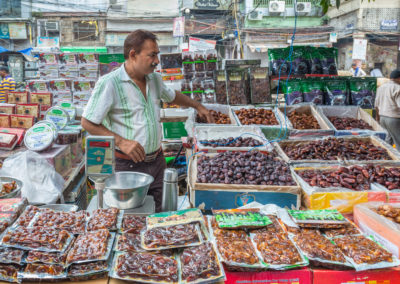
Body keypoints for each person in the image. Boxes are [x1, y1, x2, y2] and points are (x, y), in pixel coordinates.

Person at [81, 30, 213, 212]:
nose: (157, 61)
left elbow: (173, 96)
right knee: (131, 219)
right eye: (152, 55)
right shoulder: (110, 83)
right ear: (133, 55)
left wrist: (198, 106)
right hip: (126, 166)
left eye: (157, 55)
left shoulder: (154, 79)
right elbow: (88, 122)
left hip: (157, 161)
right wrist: (121, 142)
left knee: (161, 214)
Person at [375, 70, 400, 151]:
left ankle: (385, 158)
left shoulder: (381, 87)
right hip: (394, 119)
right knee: (398, 142)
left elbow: (376, 105)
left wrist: (377, 118)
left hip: (383, 118)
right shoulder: (397, 88)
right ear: (399, 78)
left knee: (388, 141)